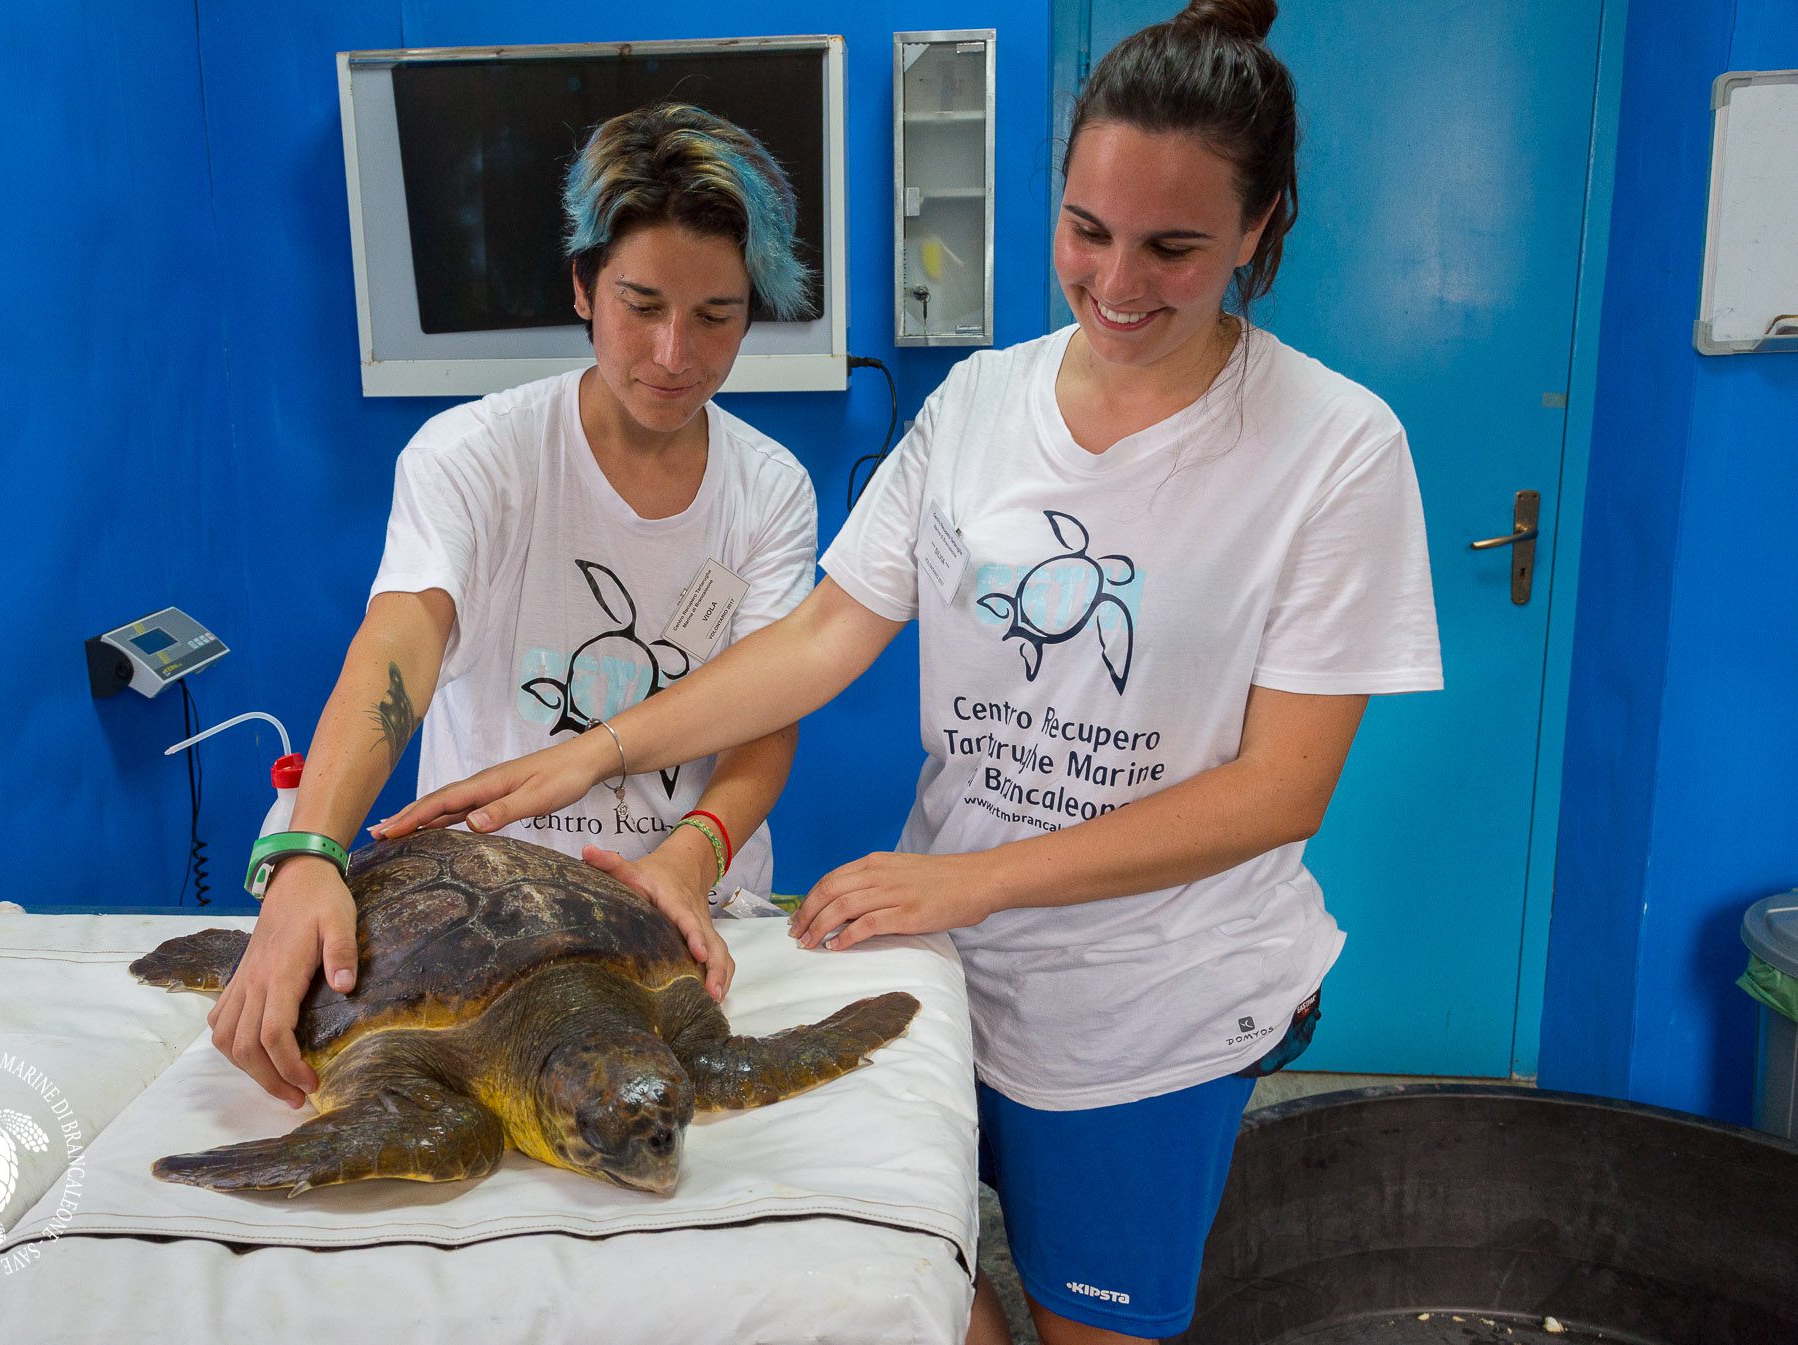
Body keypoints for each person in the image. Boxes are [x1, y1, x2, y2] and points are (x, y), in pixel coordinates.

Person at [377, 1, 1441, 1340]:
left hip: (1144, 1003)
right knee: (899, 1288)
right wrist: (598, 750)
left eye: (1173, 249)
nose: (1115, 285)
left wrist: (972, 879)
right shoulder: (982, 404)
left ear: (1261, 228)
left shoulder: (1333, 448)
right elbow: (823, 639)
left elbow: (1279, 791)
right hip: (934, 963)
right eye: (1085, 232)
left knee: (1084, 1317)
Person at [208, 103, 817, 1111]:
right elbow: (400, 642)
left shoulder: (771, 488)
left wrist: (687, 853)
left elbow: (764, 718)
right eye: (640, 304)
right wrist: (309, 850)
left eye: (716, 315)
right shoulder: (474, 456)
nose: (674, 353)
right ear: (582, 286)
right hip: (485, 937)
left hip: (677, 926)